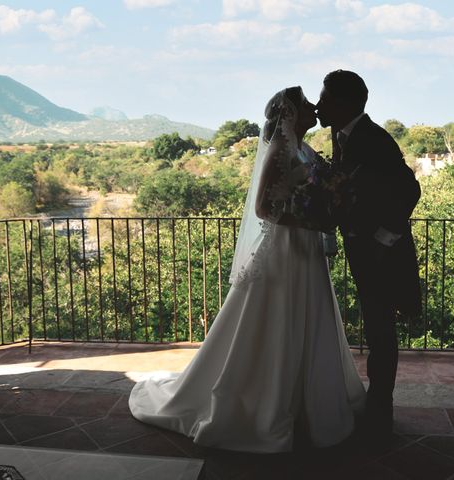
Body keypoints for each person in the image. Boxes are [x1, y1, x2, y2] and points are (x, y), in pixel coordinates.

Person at [129, 86, 366, 453]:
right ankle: (266, 406)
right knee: (276, 322)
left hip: (306, 250)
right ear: (289, 115)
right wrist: (308, 221)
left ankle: (306, 404)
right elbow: (261, 209)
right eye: (305, 105)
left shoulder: (307, 150)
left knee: (309, 320)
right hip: (284, 249)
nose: (313, 108)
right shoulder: (280, 151)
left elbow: (317, 191)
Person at [316, 70, 422, 444]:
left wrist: (381, 238)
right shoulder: (343, 136)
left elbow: (410, 189)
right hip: (363, 249)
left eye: (325, 98)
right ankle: (378, 411)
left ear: (344, 104)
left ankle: (380, 416)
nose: (319, 104)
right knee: (377, 329)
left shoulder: (373, 139)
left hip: (382, 254)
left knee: (381, 332)